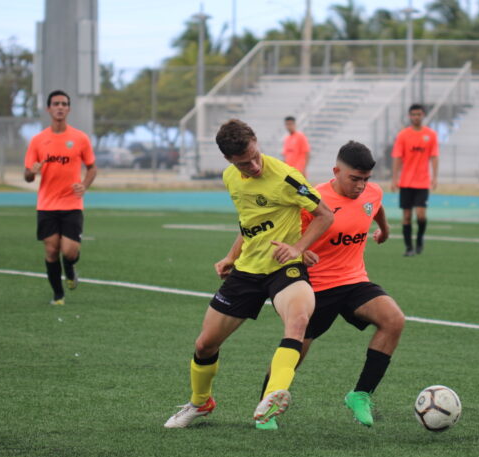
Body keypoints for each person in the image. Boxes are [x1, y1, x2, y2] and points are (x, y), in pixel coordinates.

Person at [164, 119, 334, 428]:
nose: (254, 165)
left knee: (297, 322)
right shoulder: (231, 178)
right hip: (247, 272)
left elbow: (324, 215)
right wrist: (232, 255)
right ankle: (200, 403)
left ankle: (272, 398)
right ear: (229, 161)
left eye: (256, 155)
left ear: (256, 141)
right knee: (204, 345)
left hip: (285, 268)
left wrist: (298, 248)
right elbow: (250, 222)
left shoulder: (286, 177)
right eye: (245, 162)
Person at [256, 140, 405, 431]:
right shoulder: (314, 199)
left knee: (394, 320)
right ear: (336, 171)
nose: (361, 186)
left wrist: (385, 231)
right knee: (295, 350)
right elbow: (288, 235)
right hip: (316, 287)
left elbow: (375, 207)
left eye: (366, 179)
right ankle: (266, 407)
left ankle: (360, 395)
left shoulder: (372, 192)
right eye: (354, 179)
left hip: (353, 282)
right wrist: (301, 250)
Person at [24, 90, 97, 305]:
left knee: (69, 250)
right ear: (48, 109)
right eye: (56, 103)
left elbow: (92, 168)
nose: (60, 107)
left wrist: (84, 185)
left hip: (72, 203)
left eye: (64, 104)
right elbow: (27, 176)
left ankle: (71, 267)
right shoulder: (38, 141)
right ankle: (58, 295)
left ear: (69, 109)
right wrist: (32, 171)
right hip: (46, 204)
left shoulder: (80, 138)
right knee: (51, 249)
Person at [391, 104, 439, 257]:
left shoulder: (430, 135)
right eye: (413, 114)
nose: (416, 117)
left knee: (421, 215)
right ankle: (409, 247)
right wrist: (394, 178)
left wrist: (435, 177)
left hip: (423, 182)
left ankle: (419, 239)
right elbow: (397, 157)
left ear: (423, 115)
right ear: (409, 116)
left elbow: (434, 156)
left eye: (419, 114)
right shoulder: (403, 135)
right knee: (406, 216)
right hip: (406, 182)